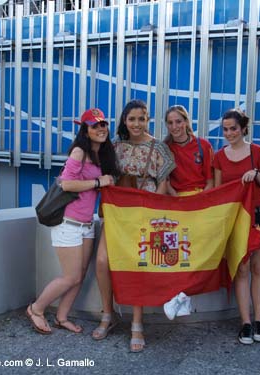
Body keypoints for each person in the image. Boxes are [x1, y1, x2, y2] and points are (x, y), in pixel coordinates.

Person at [93, 99, 175, 352]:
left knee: (137, 264)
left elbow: (163, 182)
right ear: (124, 121)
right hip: (118, 212)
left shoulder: (159, 148)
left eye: (142, 118)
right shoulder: (113, 146)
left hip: (144, 213)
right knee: (103, 262)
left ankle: (137, 324)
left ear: (147, 120)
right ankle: (108, 314)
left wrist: (154, 210)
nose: (137, 123)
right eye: (132, 119)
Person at [26, 108, 117, 335]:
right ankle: (36, 309)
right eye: (95, 126)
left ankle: (61, 317)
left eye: (103, 124)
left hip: (86, 225)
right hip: (68, 224)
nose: (101, 129)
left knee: (80, 274)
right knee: (71, 276)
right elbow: (66, 184)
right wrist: (98, 182)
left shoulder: (100, 156)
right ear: (85, 130)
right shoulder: (79, 152)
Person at [213, 108, 260, 345]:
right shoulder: (219, 156)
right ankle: (245, 323)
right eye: (226, 129)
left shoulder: (257, 152)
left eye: (233, 129)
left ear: (243, 128)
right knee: (241, 270)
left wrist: (256, 174)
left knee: (258, 269)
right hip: (235, 219)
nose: (229, 133)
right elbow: (218, 192)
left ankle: (259, 320)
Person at [164, 105, 214, 196]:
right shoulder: (164, 148)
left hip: (200, 197)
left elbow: (210, 182)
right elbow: (165, 183)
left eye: (178, 122)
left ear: (186, 122)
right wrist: (178, 200)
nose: (174, 127)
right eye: (170, 123)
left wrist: (198, 200)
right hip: (175, 199)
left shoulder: (204, 146)